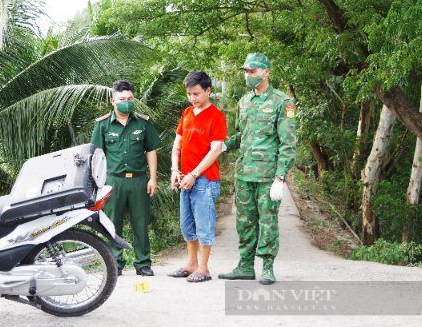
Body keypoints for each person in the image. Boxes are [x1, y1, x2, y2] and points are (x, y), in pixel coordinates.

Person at [219, 52, 297, 285]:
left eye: (252, 71)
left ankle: (267, 267)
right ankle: (244, 266)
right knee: (244, 222)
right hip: (244, 174)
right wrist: (223, 146)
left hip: (267, 177)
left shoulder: (283, 103)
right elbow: (242, 136)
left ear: (266, 72)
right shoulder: (244, 102)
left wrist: (280, 178)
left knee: (267, 222)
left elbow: (288, 143)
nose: (248, 75)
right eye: (246, 71)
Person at [91, 80, 161, 276]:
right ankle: (115, 263)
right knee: (113, 223)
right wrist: (97, 184)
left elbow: (151, 151)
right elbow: (96, 156)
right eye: (122, 99)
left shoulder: (143, 122)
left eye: (130, 99)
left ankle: (143, 263)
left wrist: (152, 178)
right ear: (113, 100)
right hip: (113, 181)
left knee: (141, 223)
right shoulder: (102, 124)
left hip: (139, 180)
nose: (127, 102)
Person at [168, 71, 227, 283]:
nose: (192, 98)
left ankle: (204, 268)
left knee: (204, 225)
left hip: (205, 180)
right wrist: (175, 170)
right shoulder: (186, 113)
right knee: (187, 226)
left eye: (196, 93)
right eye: (189, 94)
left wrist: (194, 174)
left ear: (208, 91)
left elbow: (216, 149)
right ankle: (191, 264)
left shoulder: (216, 116)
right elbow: (177, 145)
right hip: (185, 178)